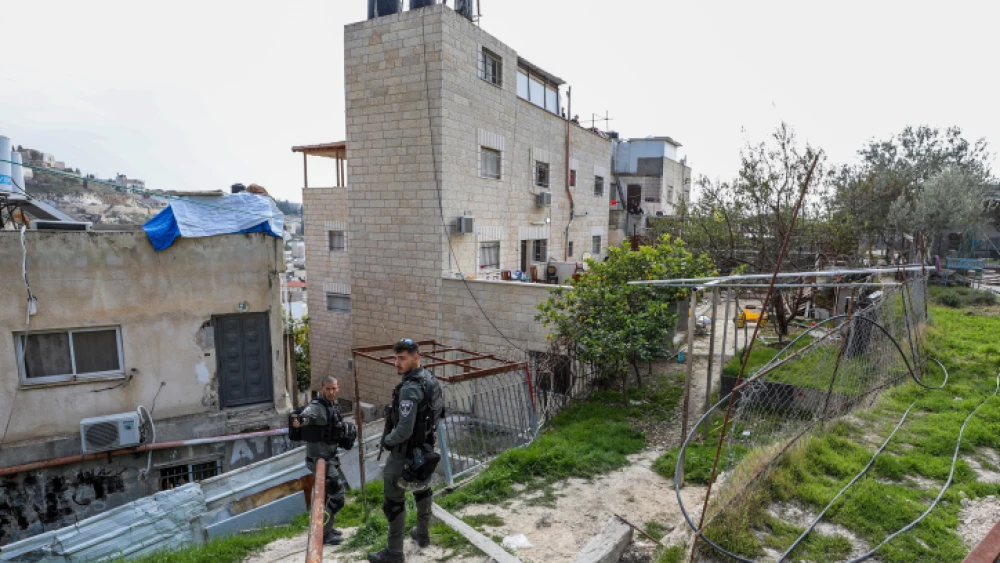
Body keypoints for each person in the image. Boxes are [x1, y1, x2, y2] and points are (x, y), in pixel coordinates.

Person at [368, 339, 445, 563]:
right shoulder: (429, 379)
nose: (397, 363)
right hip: (425, 449)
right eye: (395, 358)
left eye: (402, 358)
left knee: (393, 501)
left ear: (415, 357)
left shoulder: (410, 388)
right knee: (422, 490)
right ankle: (422, 534)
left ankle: (394, 552)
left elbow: (403, 430)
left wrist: (388, 442)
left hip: (404, 454)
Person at [292, 377, 356, 545]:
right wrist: (300, 419)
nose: (330, 392)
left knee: (327, 497)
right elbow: (307, 413)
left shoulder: (331, 406)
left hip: (329, 458)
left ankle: (327, 528)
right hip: (320, 462)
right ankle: (322, 533)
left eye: (333, 389)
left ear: (338, 388)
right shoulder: (317, 407)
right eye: (327, 389)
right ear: (321, 389)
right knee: (338, 496)